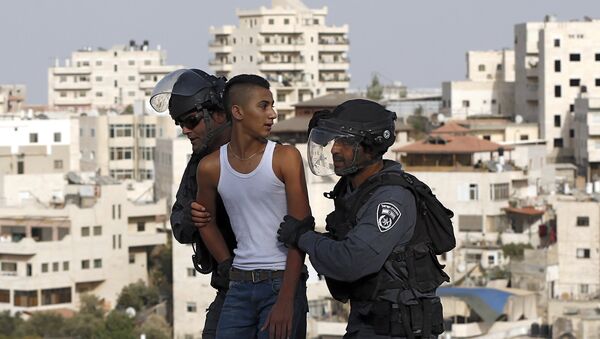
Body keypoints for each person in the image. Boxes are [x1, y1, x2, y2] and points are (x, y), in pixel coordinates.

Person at [277, 99, 448, 338]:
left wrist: (303, 237)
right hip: (366, 320)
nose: (335, 149)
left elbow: (352, 261)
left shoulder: (391, 198)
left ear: (370, 147)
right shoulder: (353, 190)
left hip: (396, 328)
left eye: (345, 142)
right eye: (333, 140)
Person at [193, 74, 310, 339]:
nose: (273, 114)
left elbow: (302, 231)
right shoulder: (210, 167)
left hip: (283, 281)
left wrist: (286, 300)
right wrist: (226, 264)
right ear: (237, 112)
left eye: (272, 105)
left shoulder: (285, 158)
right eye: (264, 106)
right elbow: (204, 221)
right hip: (239, 287)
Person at [150, 68, 236, 339]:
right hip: (228, 285)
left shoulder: (260, 155)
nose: (186, 130)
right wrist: (193, 214)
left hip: (268, 286)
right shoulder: (198, 164)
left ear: (219, 114)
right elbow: (180, 225)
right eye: (180, 124)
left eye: (192, 121)